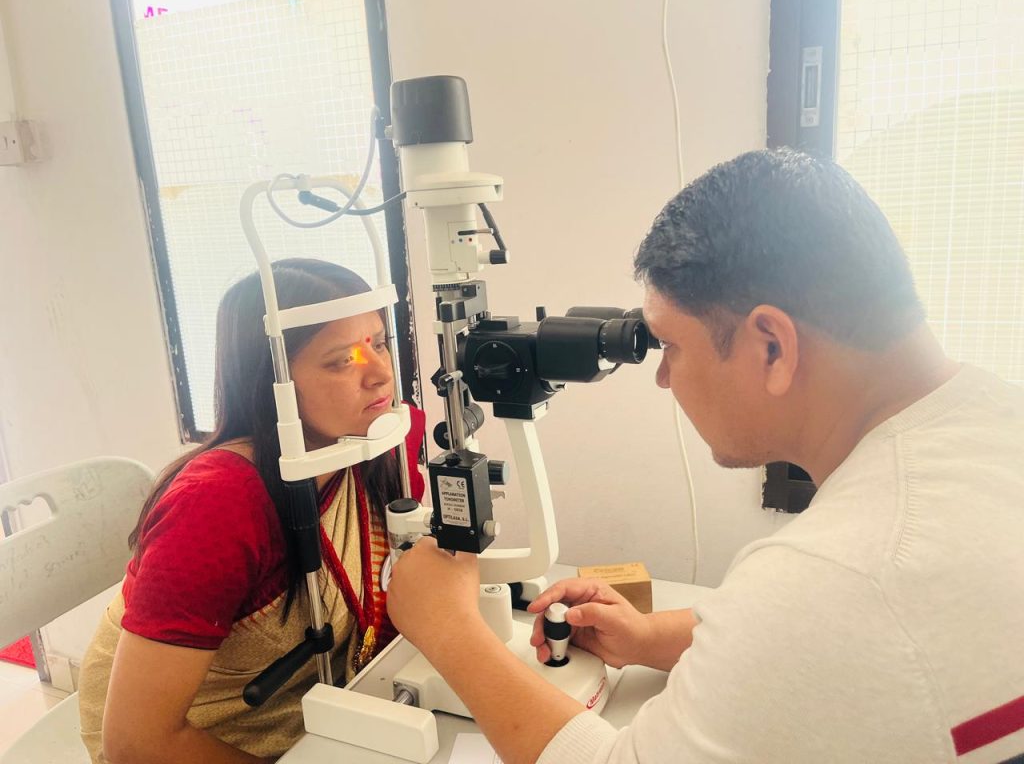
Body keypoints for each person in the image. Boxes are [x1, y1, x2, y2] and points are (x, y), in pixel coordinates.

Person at [386, 149, 1024, 764]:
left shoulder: (832, 576)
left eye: (670, 346)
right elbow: (845, 636)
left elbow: (824, 610)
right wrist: (648, 637)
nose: (665, 378)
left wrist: (450, 631)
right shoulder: (995, 421)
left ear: (771, 346)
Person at [78, 258, 425, 764]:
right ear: (270, 381)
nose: (380, 373)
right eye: (341, 361)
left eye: (379, 343)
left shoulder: (376, 439)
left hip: (314, 710)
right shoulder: (215, 504)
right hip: (205, 739)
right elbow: (138, 745)